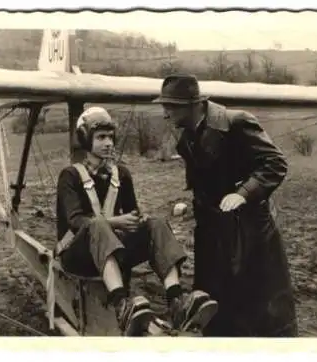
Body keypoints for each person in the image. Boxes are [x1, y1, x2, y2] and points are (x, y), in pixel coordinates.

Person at [152, 74, 298, 337]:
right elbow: (205, 183)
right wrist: (191, 204)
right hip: (212, 231)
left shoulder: (236, 123)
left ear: (193, 104)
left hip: (250, 232)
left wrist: (244, 193)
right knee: (215, 305)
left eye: (171, 106)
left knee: (259, 308)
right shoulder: (187, 139)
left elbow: (275, 163)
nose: (165, 113)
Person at [54, 106, 218, 336]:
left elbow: (133, 214)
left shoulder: (121, 174)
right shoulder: (69, 176)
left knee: (156, 224)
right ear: (85, 140)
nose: (108, 143)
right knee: (97, 224)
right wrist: (116, 222)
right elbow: (76, 221)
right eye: (101, 137)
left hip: (110, 251)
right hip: (77, 255)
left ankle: (176, 301)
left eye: (110, 137)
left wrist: (139, 222)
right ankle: (122, 305)